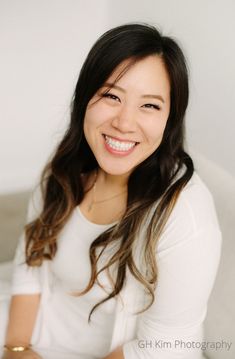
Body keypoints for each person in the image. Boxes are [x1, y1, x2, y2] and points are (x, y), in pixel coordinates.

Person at [0, 23, 222, 359]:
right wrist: (17, 349)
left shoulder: (186, 213)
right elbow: (29, 264)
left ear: (170, 119)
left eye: (149, 105)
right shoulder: (68, 164)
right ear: (85, 98)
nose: (124, 122)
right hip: (36, 328)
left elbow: (164, 346)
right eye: (111, 96)